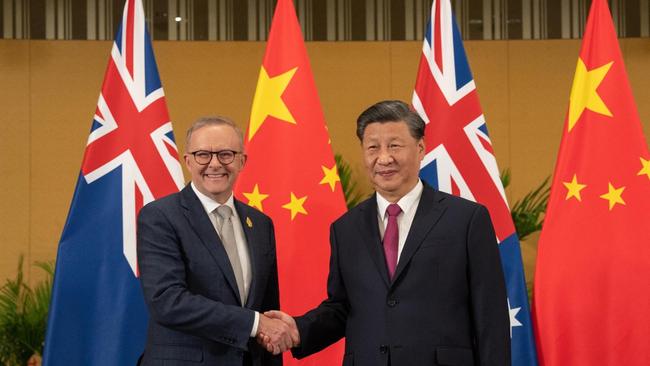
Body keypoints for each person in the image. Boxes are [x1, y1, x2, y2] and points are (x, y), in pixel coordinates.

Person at [261, 100, 511, 366]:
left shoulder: (466, 219)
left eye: (394, 145)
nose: (383, 158)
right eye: (373, 147)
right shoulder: (346, 228)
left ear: (421, 148)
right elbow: (343, 307)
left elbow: (490, 316)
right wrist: (299, 329)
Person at [137, 116, 296, 366]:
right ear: (187, 160)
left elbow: (267, 310)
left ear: (242, 161)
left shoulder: (261, 224)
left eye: (226, 154)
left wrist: (268, 333)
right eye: (203, 154)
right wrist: (254, 323)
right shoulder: (160, 216)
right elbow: (167, 301)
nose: (214, 164)